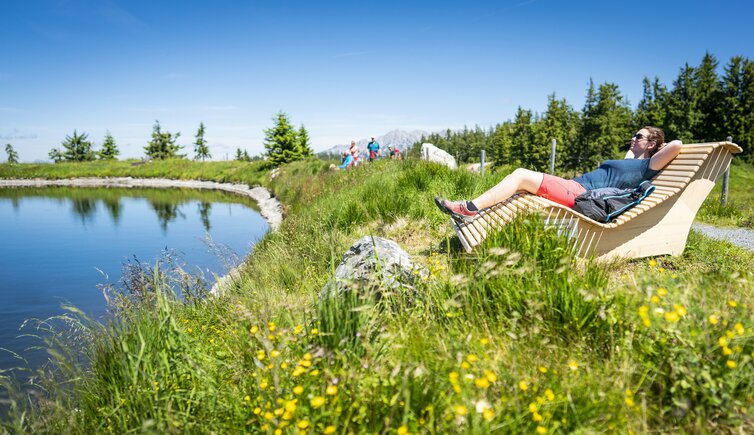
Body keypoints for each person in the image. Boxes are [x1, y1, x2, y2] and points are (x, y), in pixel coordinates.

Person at [435, 127, 683, 222]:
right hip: (572, 185)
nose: (632, 138)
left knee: (521, 175)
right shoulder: (631, 160)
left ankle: (469, 208)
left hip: (580, 194)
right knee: (520, 184)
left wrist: (657, 146)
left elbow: (677, 144)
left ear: (651, 144)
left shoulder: (648, 166)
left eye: (638, 136)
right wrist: (636, 147)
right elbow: (630, 157)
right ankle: (473, 215)